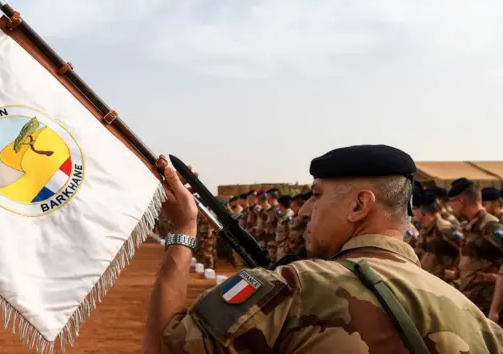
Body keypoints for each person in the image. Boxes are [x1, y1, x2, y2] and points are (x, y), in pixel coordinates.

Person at [142, 145, 503, 353]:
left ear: (360, 206)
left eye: (316, 196)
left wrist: (182, 231)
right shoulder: (479, 325)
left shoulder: (291, 289)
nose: (304, 210)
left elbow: (164, 348)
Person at [446, 179, 503, 316]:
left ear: (461, 202)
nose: (450, 206)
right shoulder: (469, 226)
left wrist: (496, 278)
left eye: (452, 202)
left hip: (486, 302)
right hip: (470, 298)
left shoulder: (491, 226)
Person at [413, 189, 460, 280]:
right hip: (427, 281)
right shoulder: (424, 230)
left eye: (414, 208)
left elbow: (466, 250)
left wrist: (456, 272)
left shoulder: (446, 228)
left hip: (444, 285)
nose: (412, 212)